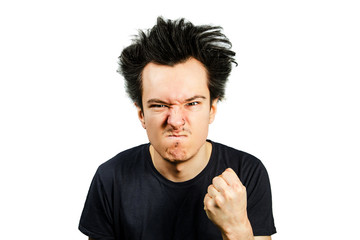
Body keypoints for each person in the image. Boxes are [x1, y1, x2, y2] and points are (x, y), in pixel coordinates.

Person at [79, 17, 276, 240]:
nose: (175, 120)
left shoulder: (247, 173)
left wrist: (236, 228)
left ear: (212, 109)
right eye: (160, 105)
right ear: (141, 114)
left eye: (192, 103)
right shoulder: (111, 178)